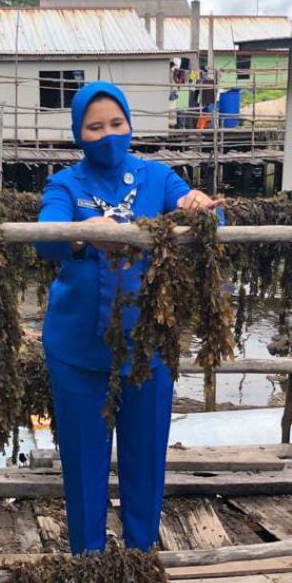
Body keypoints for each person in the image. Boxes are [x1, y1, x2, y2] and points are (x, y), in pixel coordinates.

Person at [35, 81, 222, 555]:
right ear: (79, 133)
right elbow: (45, 237)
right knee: (84, 463)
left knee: (146, 457)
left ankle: (141, 555)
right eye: (94, 127)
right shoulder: (65, 184)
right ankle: (88, 559)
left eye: (116, 124)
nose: (108, 135)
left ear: (130, 125)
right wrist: (83, 232)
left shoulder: (157, 178)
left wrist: (196, 204)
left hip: (148, 350)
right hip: (78, 351)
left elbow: (195, 209)